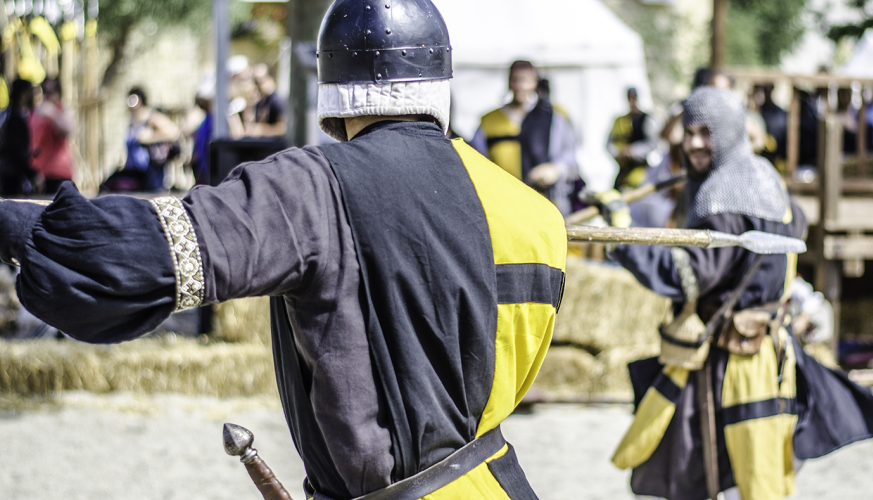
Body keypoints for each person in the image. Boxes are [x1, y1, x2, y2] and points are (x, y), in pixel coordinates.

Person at [0, 1, 566, 499]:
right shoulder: (538, 217)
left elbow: (132, 259)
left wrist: (14, 225)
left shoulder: (313, 188)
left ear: (334, 91)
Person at [605, 87, 873, 500]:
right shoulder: (767, 180)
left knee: (719, 475)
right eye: (689, 133)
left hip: (733, 365)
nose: (695, 143)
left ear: (730, 133)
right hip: (771, 357)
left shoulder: (723, 197)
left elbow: (687, 276)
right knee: (755, 476)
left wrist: (620, 237)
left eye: (706, 132)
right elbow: (798, 225)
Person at [471, 60, 580, 214]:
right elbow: (476, 161)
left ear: (535, 83)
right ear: (509, 82)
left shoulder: (554, 117)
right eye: (516, 80)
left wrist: (555, 169)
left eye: (526, 80)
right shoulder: (490, 122)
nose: (520, 86)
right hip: (503, 205)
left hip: (545, 203)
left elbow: (570, 158)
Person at [122, 87, 181, 192]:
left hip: (152, 171)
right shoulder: (132, 120)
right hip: (135, 174)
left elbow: (174, 132)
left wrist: (150, 138)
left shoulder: (151, 117)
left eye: (134, 100)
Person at [608, 87, 659, 190]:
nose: (631, 101)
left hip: (641, 172)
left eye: (633, 97)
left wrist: (633, 151)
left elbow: (652, 143)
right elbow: (609, 144)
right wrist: (619, 152)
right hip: (623, 171)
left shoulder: (646, 120)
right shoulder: (620, 121)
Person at [30, 79, 75, 194]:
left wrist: (53, 114)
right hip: (38, 175)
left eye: (51, 91)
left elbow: (68, 130)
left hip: (58, 173)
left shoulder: (63, 109)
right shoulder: (35, 112)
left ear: (58, 93)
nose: (47, 95)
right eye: (44, 91)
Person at [0, 79, 36, 196]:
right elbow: (15, 149)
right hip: (11, 177)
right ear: (24, 94)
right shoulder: (15, 119)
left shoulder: (8, 115)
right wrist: (32, 174)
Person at [243, 64, 287, 140]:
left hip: (276, 148)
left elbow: (284, 128)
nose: (258, 85)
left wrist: (263, 130)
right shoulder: (261, 102)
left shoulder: (277, 101)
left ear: (271, 78)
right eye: (256, 82)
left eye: (261, 81)